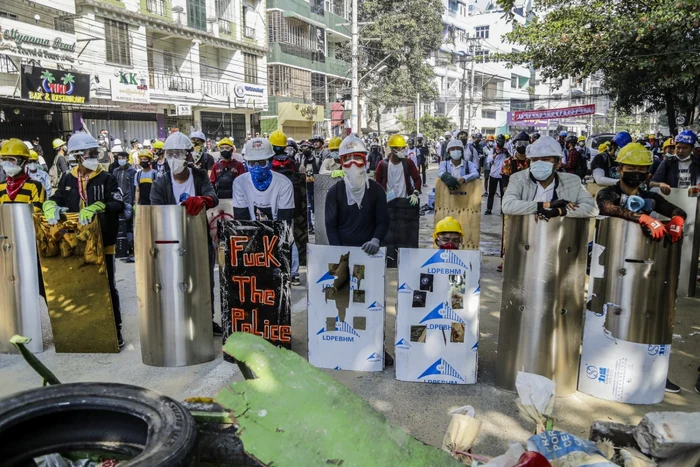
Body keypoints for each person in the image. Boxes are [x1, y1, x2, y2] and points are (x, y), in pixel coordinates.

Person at [596, 142, 686, 393]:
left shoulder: (650, 198)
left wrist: (678, 219)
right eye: (630, 166)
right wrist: (641, 218)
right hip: (610, 263)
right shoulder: (609, 193)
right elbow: (607, 208)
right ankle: (607, 364)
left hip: (646, 267)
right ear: (620, 169)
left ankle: (651, 371)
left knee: (647, 314)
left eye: (641, 168)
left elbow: (674, 210)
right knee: (608, 313)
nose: (635, 172)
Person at [43, 132, 125, 347]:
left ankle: (115, 331)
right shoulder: (68, 178)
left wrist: (98, 207)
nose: (94, 157)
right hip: (76, 241)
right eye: (90, 153)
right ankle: (85, 329)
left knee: (107, 285)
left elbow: (118, 204)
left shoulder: (106, 177)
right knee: (79, 284)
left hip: (103, 241)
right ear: (77, 156)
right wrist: (50, 205)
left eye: (95, 153)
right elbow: (57, 197)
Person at [324, 135, 391, 364]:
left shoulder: (377, 191)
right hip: (344, 259)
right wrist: (339, 256)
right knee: (342, 303)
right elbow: (330, 226)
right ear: (341, 163)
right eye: (348, 159)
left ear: (367, 162)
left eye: (358, 159)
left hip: (370, 257)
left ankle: (377, 346)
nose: (353, 165)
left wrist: (376, 239)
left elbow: (383, 221)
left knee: (374, 303)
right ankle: (344, 345)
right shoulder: (335, 193)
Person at [150, 131, 221, 335]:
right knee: (174, 282)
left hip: (199, 238)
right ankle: (178, 323)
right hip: (171, 241)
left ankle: (206, 321)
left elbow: (212, 197)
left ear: (189, 156)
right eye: (169, 154)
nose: (173, 159)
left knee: (204, 283)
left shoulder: (199, 177)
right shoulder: (160, 183)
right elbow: (156, 212)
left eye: (178, 154)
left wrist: (203, 200)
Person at [502, 135, 598, 220]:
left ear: (558, 162)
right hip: (525, 236)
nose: (539, 163)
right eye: (535, 160)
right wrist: (548, 205)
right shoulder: (518, 179)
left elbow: (592, 208)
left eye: (545, 159)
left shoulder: (572, 182)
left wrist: (560, 211)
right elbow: (508, 206)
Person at [267, 131, 303, 286]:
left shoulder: (267, 163)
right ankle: (293, 274)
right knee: (290, 239)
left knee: (271, 239)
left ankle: (275, 272)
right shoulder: (293, 163)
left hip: (271, 205)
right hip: (289, 207)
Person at [233, 137, 294, 224]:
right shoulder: (239, 183)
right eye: (252, 163)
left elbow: (284, 222)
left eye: (262, 163)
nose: (257, 168)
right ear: (246, 163)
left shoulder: (284, 184)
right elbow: (241, 220)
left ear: (271, 162)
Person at [374, 134, 422, 206]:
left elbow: (417, 179)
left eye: (403, 148)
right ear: (392, 149)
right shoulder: (382, 164)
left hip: (404, 203)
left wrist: (416, 192)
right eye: (399, 148)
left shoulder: (408, 163)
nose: (402, 150)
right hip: (388, 203)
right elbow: (377, 183)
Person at [0, 139, 46, 209]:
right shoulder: (1, 187)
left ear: (25, 161)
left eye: (12, 159)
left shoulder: (35, 187)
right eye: (4, 160)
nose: (7, 163)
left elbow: (36, 214)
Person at [485, 134, 510, 215]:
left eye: (502, 141)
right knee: (491, 193)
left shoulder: (506, 150)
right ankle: (489, 209)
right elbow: (488, 161)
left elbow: (511, 159)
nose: (501, 142)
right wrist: (496, 153)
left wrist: (507, 153)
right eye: (499, 141)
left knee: (504, 194)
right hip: (494, 174)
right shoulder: (493, 150)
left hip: (503, 175)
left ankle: (503, 209)